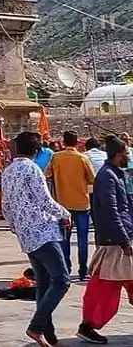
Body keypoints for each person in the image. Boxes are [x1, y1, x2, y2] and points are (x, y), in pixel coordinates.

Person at [1, 130, 71, 347]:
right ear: (37, 150)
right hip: (43, 232)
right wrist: (65, 214)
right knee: (61, 280)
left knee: (44, 282)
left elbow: (5, 206)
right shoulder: (32, 169)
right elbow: (45, 201)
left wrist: (16, 226)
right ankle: (36, 326)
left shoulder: (8, 171)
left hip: (26, 234)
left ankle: (47, 333)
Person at [77, 136, 133, 345]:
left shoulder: (116, 175)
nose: (128, 156)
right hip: (114, 242)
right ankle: (87, 326)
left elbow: (124, 207)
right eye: (126, 153)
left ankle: (88, 325)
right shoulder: (107, 177)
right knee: (104, 287)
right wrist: (123, 240)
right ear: (119, 155)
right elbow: (111, 211)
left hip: (122, 237)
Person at [46, 130, 95, 281]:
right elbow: (93, 178)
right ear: (77, 142)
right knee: (82, 239)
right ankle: (82, 270)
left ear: (63, 142)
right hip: (82, 204)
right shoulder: (82, 158)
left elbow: (46, 174)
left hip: (63, 205)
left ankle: (66, 268)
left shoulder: (56, 157)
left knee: (64, 239)